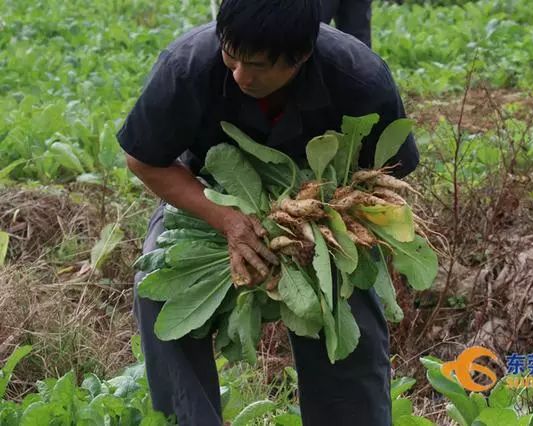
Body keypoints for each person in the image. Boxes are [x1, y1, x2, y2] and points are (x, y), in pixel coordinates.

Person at [117, 0, 419, 424]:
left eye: (258, 66)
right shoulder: (186, 66)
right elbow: (144, 160)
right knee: (157, 284)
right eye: (231, 56)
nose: (241, 75)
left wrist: (322, 224)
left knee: (349, 309)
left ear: (301, 56)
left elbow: (383, 176)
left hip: (319, 205)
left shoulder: (359, 77)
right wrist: (227, 220)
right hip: (210, 193)